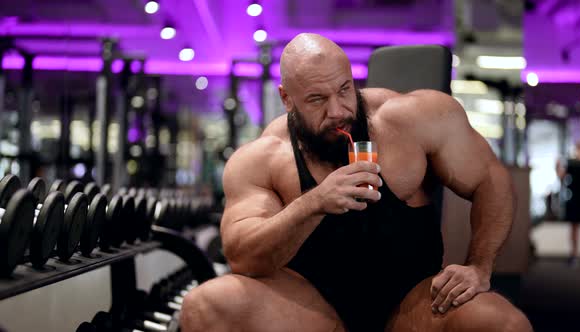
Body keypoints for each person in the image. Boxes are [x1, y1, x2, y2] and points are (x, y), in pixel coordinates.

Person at [180, 33, 532, 332]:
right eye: (317, 99)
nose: (338, 111)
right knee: (203, 306)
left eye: (344, 89)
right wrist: (313, 203)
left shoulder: (414, 119)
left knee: (505, 324)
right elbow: (242, 257)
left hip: (413, 304)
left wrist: (479, 266)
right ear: (287, 99)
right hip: (313, 311)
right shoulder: (264, 157)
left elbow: (491, 179)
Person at [557, 141, 580, 267]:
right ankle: (574, 255)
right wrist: (558, 166)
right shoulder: (571, 163)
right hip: (575, 199)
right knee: (574, 228)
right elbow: (561, 176)